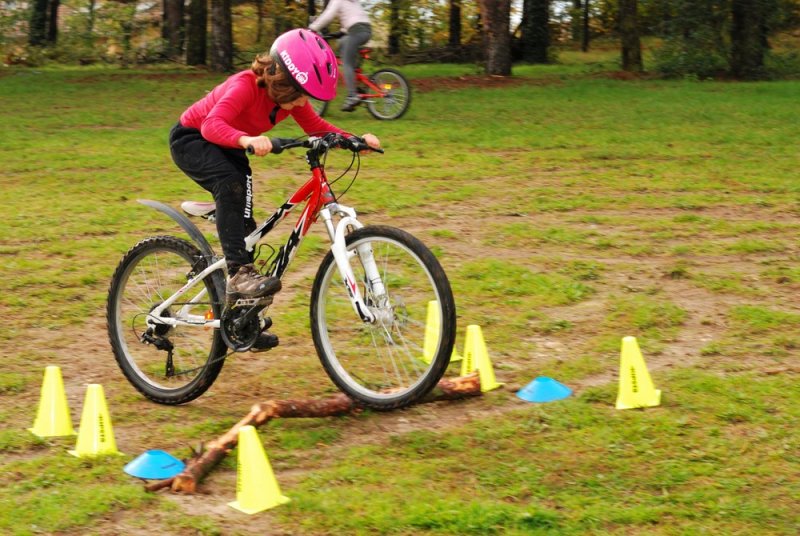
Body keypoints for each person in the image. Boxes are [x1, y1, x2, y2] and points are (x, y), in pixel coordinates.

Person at [169, 28, 380, 350]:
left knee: (247, 232)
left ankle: (241, 324)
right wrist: (247, 139)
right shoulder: (244, 86)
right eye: (300, 93)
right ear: (280, 80)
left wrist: (354, 141)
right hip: (194, 140)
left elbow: (317, 127)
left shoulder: (290, 98)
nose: (303, 102)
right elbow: (212, 125)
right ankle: (238, 273)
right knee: (230, 184)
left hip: (231, 146)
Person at [309, 0, 372, 112]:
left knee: (346, 63)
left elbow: (327, 16)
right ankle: (357, 83)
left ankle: (352, 96)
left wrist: (312, 28)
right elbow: (353, 17)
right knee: (342, 42)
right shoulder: (353, 2)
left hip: (356, 31)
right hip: (365, 30)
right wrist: (340, 32)